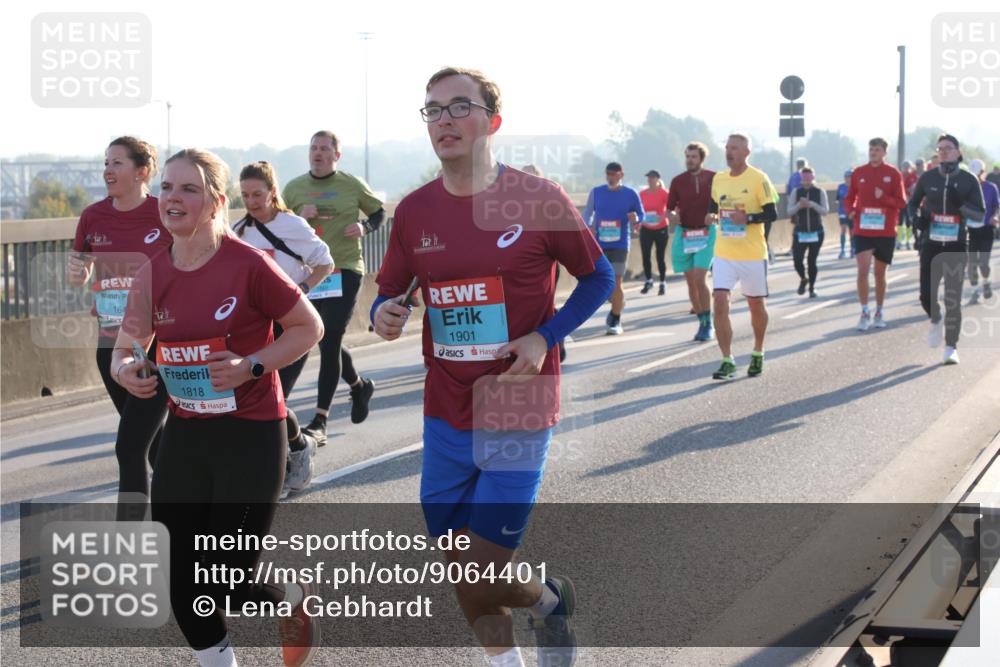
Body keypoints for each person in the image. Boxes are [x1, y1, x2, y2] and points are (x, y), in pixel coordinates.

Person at [373, 66, 614, 667]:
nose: (444, 120)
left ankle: (548, 597)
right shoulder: (414, 211)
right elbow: (390, 291)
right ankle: (519, 642)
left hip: (518, 403)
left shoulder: (536, 198)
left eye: (459, 107)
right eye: (432, 110)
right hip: (445, 408)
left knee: (482, 567)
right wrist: (384, 312)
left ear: (492, 121)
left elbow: (598, 277)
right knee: (461, 568)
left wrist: (544, 336)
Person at [114, 148, 325, 667]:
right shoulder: (153, 273)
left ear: (214, 203)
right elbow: (125, 344)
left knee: (228, 578)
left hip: (251, 434)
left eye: (188, 189)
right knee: (179, 575)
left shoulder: (248, 265)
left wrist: (253, 365)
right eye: (166, 187)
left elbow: (308, 328)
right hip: (187, 434)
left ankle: (290, 599)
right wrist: (126, 370)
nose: (172, 198)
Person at [67, 136, 170, 511]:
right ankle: (188, 510)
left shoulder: (164, 212)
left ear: (141, 171)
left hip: (155, 344)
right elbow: (80, 272)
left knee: (129, 445)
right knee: (151, 440)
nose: (107, 170)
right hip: (110, 344)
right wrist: (77, 272)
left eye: (117, 163)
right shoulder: (93, 216)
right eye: (106, 163)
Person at [234, 161, 335, 498]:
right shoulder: (238, 232)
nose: (252, 201)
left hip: (290, 326)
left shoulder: (292, 225)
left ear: (272, 192)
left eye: (258, 194)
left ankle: (272, 475)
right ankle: (299, 444)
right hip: (255, 329)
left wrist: (301, 290)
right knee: (266, 399)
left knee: (276, 399)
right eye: (246, 195)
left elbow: (325, 262)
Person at [282, 131, 384, 445]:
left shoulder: (352, 185)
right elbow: (278, 225)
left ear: (336, 155)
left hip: (345, 269)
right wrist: (299, 217)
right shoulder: (294, 188)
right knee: (317, 334)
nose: (318, 153)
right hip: (310, 273)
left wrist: (364, 226)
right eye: (314, 147)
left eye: (325, 149)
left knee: (330, 338)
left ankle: (320, 419)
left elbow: (379, 212)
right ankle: (358, 386)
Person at [907, 134, 986, 365]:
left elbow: (980, 214)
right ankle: (935, 318)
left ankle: (951, 347)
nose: (943, 152)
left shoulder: (969, 180)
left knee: (953, 298)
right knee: (925, 295)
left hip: (957, 244)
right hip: (930, 243)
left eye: (948, 148)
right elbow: (912, 204)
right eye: (939, 148)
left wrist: (960, 205)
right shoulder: (928, 177)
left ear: (958, 152)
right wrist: (916, 219)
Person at [706, 134, 778, 379]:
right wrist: (711, 217)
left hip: (752, 253)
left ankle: (758, 351)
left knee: (755, 305)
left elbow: (772, 213)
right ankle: (727, 360)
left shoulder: (759, 179)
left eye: (734, 148)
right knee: (719, 300)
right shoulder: (719, 179)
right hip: (724, 252)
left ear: (747, 151)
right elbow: (712, 205)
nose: (729, 152)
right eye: (727, 148)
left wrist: (747, 218)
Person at [843, 137, 907, 331]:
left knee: (880, 274)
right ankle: (864, 311)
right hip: (863, 229)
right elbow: (849, 197)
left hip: (885, 230)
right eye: (871, 149)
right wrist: (851, 211)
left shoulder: (893, 174)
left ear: (884, 152)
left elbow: (902, 202)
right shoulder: (859, 173)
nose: (873, 152)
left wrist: (884, 198)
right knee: (863, 270)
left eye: (877, 150)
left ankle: (879, 310)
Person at [582, 162, 644, 335]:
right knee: (603, 283)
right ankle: (617, 304)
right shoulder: (596, 192)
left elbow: (641, 214)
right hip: (599, 244)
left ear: (621, 175)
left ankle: (615, 318)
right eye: (608, 174)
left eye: (614, 174)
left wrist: (636, 218)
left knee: (616, 282)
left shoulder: (630, 194)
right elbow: (587, 213)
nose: (610, 177)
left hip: (620, 244)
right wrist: (587, 227)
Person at [667, 142, 717, 341]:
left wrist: (714, 215)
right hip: (685, 234)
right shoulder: (678, 181)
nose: (690, 160)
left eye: (693, 157)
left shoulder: (714, 178)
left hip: (707, 232)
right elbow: (670, 207)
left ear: (701, 159)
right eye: (687, 156)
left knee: (699, 277)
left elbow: (722, 203)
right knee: (691, 282)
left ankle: (709, 323)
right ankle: (702, 320)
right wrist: (671, 216)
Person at [787, 166, 830, 297]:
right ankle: (803, 278)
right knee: (797, 259)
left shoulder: (820, 191)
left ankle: (812, 287)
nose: (807, 181)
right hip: (800, 232)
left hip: (816, 231)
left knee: (812, 261)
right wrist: (799, 206)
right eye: (804, 178)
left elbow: (825, 211)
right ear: (801, 179)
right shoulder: (796, 192)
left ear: (813, 178)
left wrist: (811, 204)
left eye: (809, 178)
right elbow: (789, 211)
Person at [966, 159, 999, 304]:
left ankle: (986, 282)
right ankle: (974, 292)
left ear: (983, 173)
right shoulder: (965, 189)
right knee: (972, 262)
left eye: (979, 174)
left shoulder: (991, 187)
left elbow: (997, 206)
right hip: (970, 229)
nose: (977, 177)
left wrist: (994, 216)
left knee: (983, 262)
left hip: (987, 228)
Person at [638, 170, 670, 295]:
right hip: (646, 228)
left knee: (660, 256)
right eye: (648, 177)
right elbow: (637, 210)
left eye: (652, 177)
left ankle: (662, 282)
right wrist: (638, 222)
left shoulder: (664, 193)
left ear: (657, 179)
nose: (650, 179)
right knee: (646, 255)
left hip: (661, 228)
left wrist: (663, 216)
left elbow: (671, 207)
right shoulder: (642, 194)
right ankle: (649, 280)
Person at [898, 160, 917, 250]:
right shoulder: (899, 175)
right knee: (900, 222)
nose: (906, 169)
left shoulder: (913, 176)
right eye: (904, 167)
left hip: (909, 202)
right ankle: (899, 240)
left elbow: (914, 188)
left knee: (909, 223)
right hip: (901, 202)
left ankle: (908, 240)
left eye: (907, 167)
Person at [836, 169, 854, 259]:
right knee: (843, 230)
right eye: (846, 177)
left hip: (851, 212)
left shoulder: (855, 187)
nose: (848, 179)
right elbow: (837, 198)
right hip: (842, 211)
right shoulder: (841, 187)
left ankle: (852, 249)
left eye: (850, 177)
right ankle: (842, 250)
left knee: (852, 232)